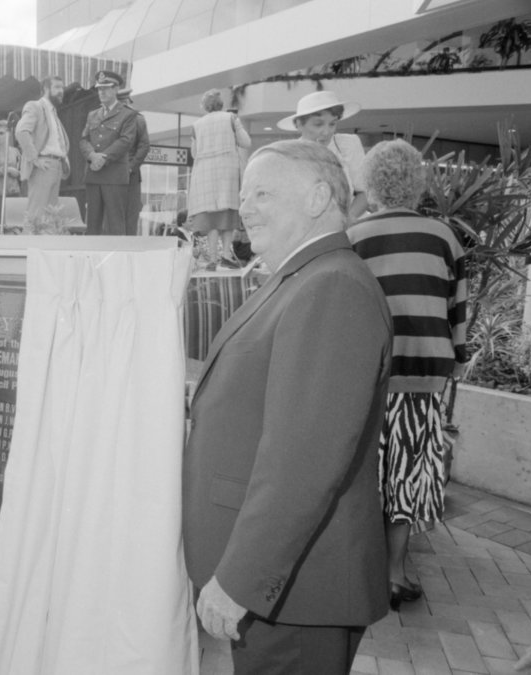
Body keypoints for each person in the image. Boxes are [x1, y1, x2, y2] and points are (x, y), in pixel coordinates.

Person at [183, 139, 392, 674]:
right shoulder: (301, 277)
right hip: (289, 587)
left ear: (319, 196)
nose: (245, 207)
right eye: (243, 194)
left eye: (263, 193)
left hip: (297, 589)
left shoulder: (332, 286)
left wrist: (241, 579)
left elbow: (303, 461)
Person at [348, 139, 469, 611]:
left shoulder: (355, 237)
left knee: (366, 474)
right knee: (408, 473)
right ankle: (395, 575)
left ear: (371, 182)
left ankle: (356, 571)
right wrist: (455, 356)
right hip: (423, 373)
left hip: (370, 376)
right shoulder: (445, 237)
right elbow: (457, 308)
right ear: (417, 183)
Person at [277, 90, 368, 221]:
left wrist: (346, 221)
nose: (327, 131)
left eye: (332, 123)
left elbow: (364, 193)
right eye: (318, 124)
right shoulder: (288, 156)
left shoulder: (348, 145)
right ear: (299, 124)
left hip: (348, 227)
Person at [187, 89, 251, 269]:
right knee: (227, 214)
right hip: (226, 170)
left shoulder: (197, 125)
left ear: (205, 106)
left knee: (210, 218)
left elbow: (194, 153)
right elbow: (246, 142)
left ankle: (213, 258)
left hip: (204, 173)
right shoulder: (230, 119)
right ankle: (226, 254)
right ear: (221, 104)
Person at [79, 70, 138, 235]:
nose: (101, 92)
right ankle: (91, 259)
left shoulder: (128, 114)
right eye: (99, 89)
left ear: (116, 89)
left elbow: (126, 141)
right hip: (93, 174)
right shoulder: (92, 115)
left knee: (115, 224)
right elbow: (83, 139)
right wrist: (92, 155)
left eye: (106, 88)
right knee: (93, 225)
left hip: (114, 175)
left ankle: (116, 260)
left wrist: (103, 157)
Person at [14, 75, 70, 223]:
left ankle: (47, 245)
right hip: (43, 165)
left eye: (62, 88)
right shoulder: (35, 106)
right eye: (57, 87)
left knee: (50, 216)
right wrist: (34, 158)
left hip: (55, 165)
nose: (61, 91)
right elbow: (21, 131)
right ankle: (30, 245)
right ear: (46, 89)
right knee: (37, 214)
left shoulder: (53, 112)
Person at [118, 88, 150, 236]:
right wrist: (131, 167)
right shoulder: (138, 119)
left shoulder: (137, 119)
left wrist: (130, 168)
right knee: (129, 216)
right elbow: (144, 147)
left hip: (122, 174)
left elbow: (144, 146)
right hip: (129, 174)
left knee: (124, 215)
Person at [0, 119, 21, 224]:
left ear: (8, 134)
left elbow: (22, 172)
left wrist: (15, 172)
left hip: (14, 191)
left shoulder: (15, 152)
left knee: (15, 222)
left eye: (1, 133)